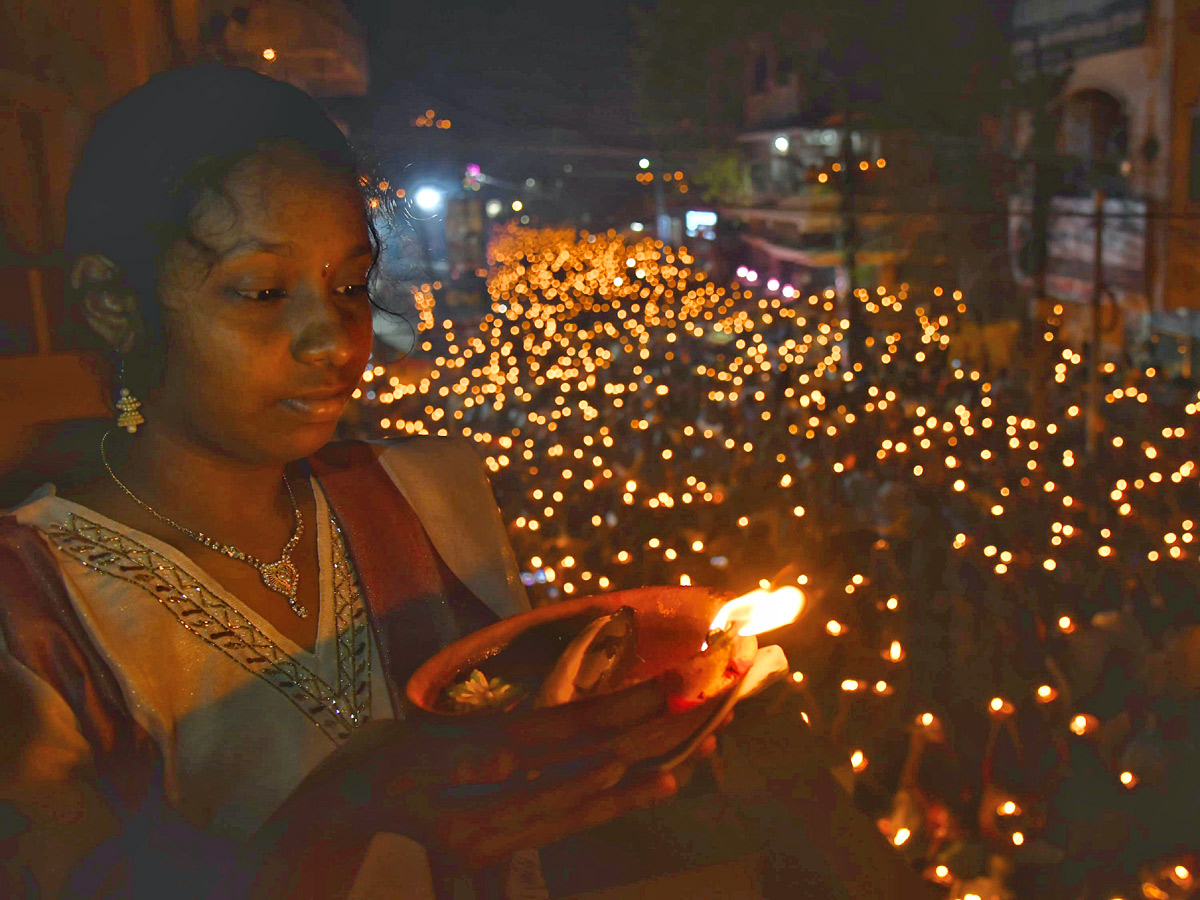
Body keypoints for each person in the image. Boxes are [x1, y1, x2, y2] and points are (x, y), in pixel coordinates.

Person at [0, 65, 685, 899]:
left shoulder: (430, 496)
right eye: (261, 290)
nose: (337, 338)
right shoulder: (30, 616)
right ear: (114, 302)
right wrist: (334, 819)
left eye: (351, 284)